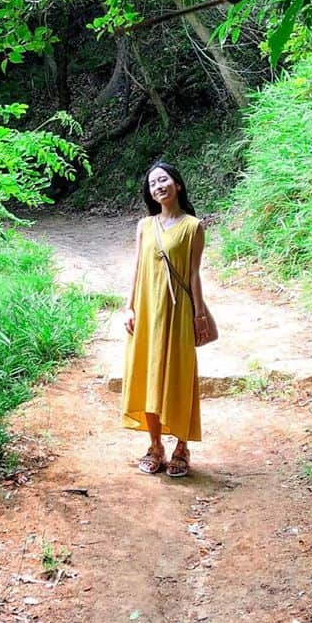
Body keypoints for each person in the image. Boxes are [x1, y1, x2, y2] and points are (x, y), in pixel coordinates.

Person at [122, 161, 212, 477]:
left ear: (178, 185)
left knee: (179, 374)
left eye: (164, 180)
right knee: (147, 373)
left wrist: (199, 315)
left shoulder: (193, 226)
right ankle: (155, 445)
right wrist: (129, 307)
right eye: (152, 184)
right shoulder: (145, 226)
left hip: (178, 312)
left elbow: (193, 275)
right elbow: (136, 268)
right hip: (147, 311)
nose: (158, 186)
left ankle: (182, 446)